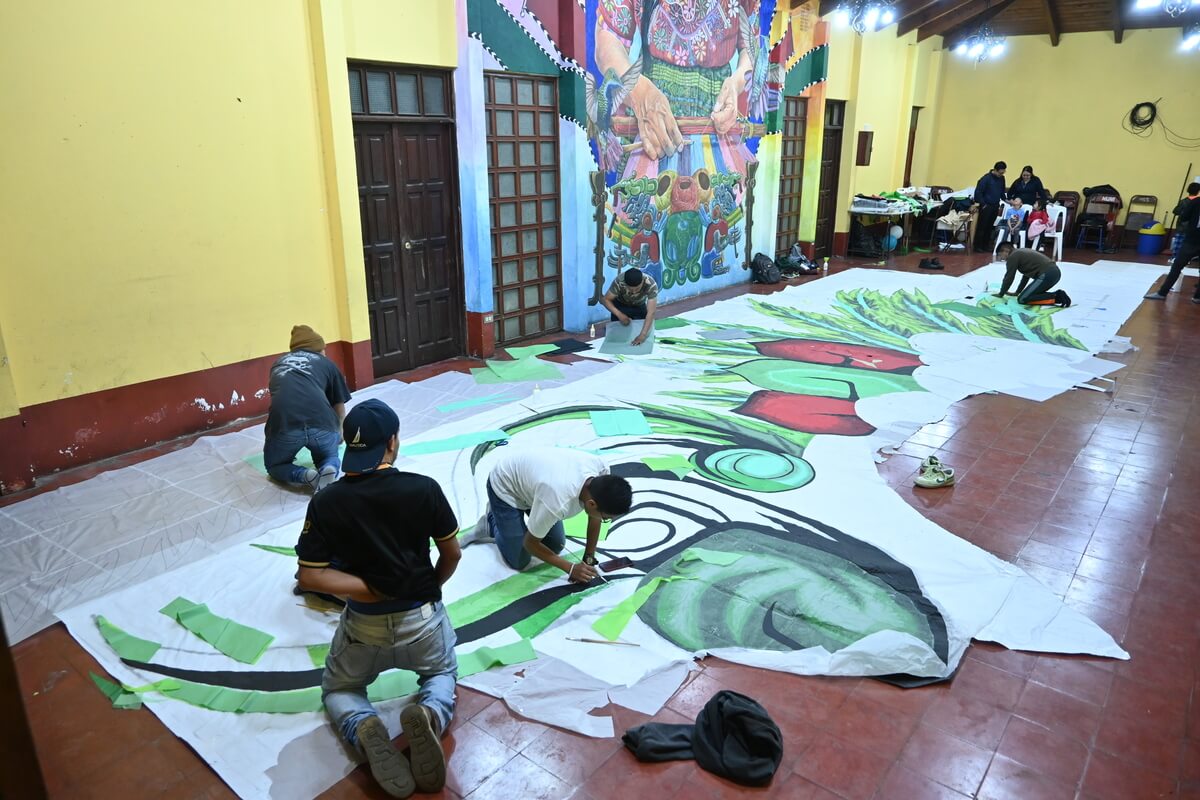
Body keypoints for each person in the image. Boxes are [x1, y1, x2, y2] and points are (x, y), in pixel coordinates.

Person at [296, 399, 461, 798]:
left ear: (347, 447)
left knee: (339, 690)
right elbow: (452, 554)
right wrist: (428, 589)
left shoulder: (327, 501)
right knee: (440, 674)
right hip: (421, 620)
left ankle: (361, 724)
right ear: (392, 443)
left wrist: (369, 590)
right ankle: (428, 713)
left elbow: (310, 574)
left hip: (363, 626)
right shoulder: (423, 489)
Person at [479, 447, 632, 581]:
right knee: (519, 560)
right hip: (506, 485)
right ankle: (492, 520)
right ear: (591, 504)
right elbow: (530, 544)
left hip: (536, 487)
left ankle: (517, 526)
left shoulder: (601, 473)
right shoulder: (558, 502)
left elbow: (595, 518)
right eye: (606, 518)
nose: (604, 520)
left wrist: (588, 559)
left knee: (555, 544)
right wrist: (571, 568)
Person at [264, 325, 351, 492]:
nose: (325, 353)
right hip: (322, 423)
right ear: (317, 349)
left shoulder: (277, 364)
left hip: (285, 425)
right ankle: (329, 466)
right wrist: (340, 430)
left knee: (274, 465)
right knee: (328, 455)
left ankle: (304, 475)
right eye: (324, 349)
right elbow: (339, 403)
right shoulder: (327, 364)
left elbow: (281, 400)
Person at [1145, 192, 1200, 303]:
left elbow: (1184, 217)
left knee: (1177, 266)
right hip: (1193, 239)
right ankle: (1198, 297)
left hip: (1193, 239)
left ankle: (1162, 292)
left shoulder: (1196, 201)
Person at [995, 242, 1071, 307]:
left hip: (1047, 274)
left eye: (1000, 255)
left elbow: (1009, 277)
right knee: (1029, 295)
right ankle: (1056, 296)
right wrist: (1018, 292)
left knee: (1022, 299)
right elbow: (1026, 276)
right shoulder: (1019, 253)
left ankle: (1057, 297)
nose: (1002, 258)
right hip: (1053, 273)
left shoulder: (1013, 256)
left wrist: (1001, 293)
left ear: (1006, 250)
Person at [601, 268, 659, 346]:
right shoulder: (619, 281)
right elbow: (606, 300)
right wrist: (619, 315)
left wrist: (643, 335)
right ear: (625, 283)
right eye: (630, 289)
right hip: (621, 305)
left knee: (644, 334)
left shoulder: (650, 284)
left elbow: (651, 312)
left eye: (637, 289)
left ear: (642, 282)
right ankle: (614, 328)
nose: (634, 292)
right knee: (618, 338)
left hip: (639, 306)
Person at [972, 161, 1008, 251]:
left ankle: (986, 245)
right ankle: (977, 246)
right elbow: (978, 192)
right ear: (995, 170)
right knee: (982, 226)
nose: (1001, 174)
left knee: (990, 226)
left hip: (995, 205)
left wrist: (1008, 200)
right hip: (986, 205)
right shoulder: (986, 179)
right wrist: (983, 204)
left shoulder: (1002, 179)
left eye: (1003, 172)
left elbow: (1002, 192)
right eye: (1000, 172)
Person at [1168, 182, 1200, 264]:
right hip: (1192, 228)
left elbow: (1175, 211)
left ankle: (1175, 258)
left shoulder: (1183, 201)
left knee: (1178, 244)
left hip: (1181, 227)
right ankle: (1186, 259)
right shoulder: (1196, 202)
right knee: (1188, 245)